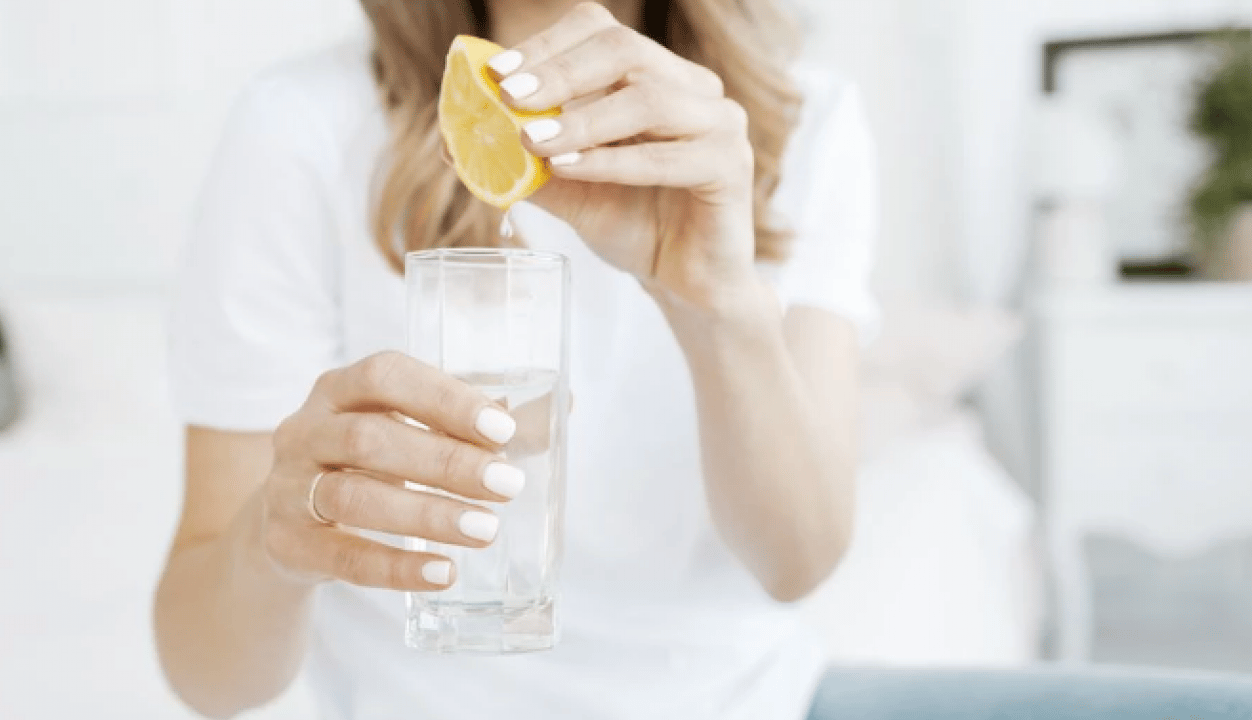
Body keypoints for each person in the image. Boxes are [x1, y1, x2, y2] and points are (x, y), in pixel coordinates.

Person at [154, 1, 1252, 719]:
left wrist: (716, 300)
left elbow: (796, 560)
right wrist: (272, 540)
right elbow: (204, 671)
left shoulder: (803, 123)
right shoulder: (300, 127)